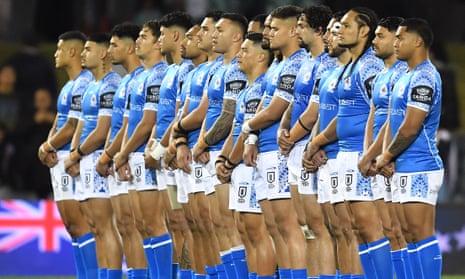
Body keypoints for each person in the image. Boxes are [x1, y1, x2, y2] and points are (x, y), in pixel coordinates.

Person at [303, 7, 391, 278]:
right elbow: (340, 115)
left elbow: (379, 113)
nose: (338, 31)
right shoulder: (348, 68)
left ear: (364, 30)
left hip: (359, 155)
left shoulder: (370, 66)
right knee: (347, 229)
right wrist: (316, 143)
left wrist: (377, 152)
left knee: (369, 228)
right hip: (341, 154)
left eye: (344, 25)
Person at [240, 5, 308, 278]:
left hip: (282, 151)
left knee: (289, 226)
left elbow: (277, 108)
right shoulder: (278, 65)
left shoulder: (297, 62)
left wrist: (247, 129)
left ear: (293, 31)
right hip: (266, 150)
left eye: (273, 28)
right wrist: (253, 136)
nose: (266, 32)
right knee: (275, 227)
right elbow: (264, 106)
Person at [376, 18, 444, 279]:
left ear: (417, 41)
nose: (396, 43)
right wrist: (387, 155)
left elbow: (410, 127)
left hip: (421, 165)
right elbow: (392, 123)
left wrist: (386, 155)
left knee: (419, 231)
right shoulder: (406, 75)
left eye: (400, 38)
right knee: (404, 231)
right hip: (403, 165)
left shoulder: (425, 76)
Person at [276, 5, 337, 278]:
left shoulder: (326, 63)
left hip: (308, 145)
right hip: (296, 144)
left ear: (319, 30)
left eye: (302, 25)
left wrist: (293, 138)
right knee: (305, 225)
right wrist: (283, 127)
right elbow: (295, 103)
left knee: (319, 226)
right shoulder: (306, 63)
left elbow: (316, 112)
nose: (297, 30)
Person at [190, 12, 248, 279]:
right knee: (216, 225)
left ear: (237, 36)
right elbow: (208, 112)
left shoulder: (239, 67)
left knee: (231, 225)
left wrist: (203, 143)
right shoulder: (217, 69)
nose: (213, 34)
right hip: (211, 151)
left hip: (228, 152)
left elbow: (229, 116)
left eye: (220, 30)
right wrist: (199, 141)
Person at [36, 30, 98, 279]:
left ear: (73, 52)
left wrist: (47, 147)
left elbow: (72, 126)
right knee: (72, 227)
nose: (55, 53)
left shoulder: (84, 84)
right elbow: (60, 122)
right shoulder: (68, 86)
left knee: (82, 225)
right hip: (59, 159)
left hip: (74, 160)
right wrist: (48, 145)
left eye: (59, 49)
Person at [111, 20, 168, 279]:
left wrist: (119, 153)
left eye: (143, 37)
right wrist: (122, 154)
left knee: (159, 224)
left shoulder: (159, 74)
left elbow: (148, 122)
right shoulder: (137, 79)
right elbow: (127, 123)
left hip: (148, 156)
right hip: (134, 155)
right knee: (141, 225)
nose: (138, 42)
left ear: (159, 42)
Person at [170, 11, 225, 278]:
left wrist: (186, 140)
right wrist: (179, 141)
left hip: (206, 154)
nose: (201, 35)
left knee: (212, 224)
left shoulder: (220, 69)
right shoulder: (195, 72)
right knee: (194, 224)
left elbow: (204, 113)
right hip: (188, 153)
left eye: (205, 30)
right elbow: (184, 114)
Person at [64, 32, 123, 279]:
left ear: (102, 54)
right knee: (96, 228)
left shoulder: (111, 84)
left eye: (88, 50)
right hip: (84, 160)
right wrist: (73, 155)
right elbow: (80, 124)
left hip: (98, 158)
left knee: (106, 226)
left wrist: (77, 153)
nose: (83, 54)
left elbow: (102, 130)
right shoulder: (91, 86)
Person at [219, 31, 277, 278]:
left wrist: (229, 161)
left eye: (245, 51)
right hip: (239, 164)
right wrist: (224, 159)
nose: (239, 56)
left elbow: (249, 132)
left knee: (257, 231)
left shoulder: (263, 87)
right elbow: (235, 130)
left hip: (251, 164)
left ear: (262, 56)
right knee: (245, 229)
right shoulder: (247, 90)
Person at [357, 16, 410, 279]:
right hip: (378, 160)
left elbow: (395, 119)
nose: (374, 41)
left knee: (401, 229)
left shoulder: (404, 74)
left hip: (395, 160)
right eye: (374, 35)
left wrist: (384, 154)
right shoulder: (381, 75)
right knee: (388, 230)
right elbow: (373, 114)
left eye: (381, 36)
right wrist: (368, 153)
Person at [94, 22, 149, 279]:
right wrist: (114, 153)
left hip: (133, 158)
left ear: (129, 48)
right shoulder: (127, 81)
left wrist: (114, 154)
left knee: (139, 225)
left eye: (115, 45)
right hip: (122, 157)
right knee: (126, 225)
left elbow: (133, 124)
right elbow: (122, 125)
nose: (110, 50)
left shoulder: (142, 79)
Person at [145, 11, 195, 279]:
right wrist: (153, 143)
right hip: (166, 156)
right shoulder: (170, 71)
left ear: (175, 35)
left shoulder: (186, 69)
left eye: (162, 34)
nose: (159, 40)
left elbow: (180, 115)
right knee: (174, 223)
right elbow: (162, 116)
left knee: (185, 223)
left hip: (175, 155)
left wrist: (162, 148)